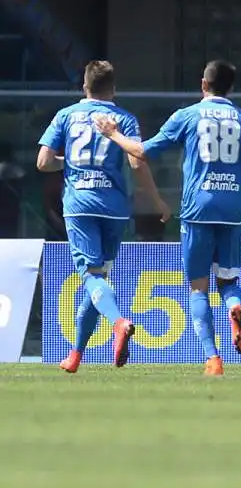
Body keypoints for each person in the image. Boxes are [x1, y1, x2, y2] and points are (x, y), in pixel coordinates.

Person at [95, 60, 241, 376]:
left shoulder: (187, 116)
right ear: (231, 87)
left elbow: (143, 152)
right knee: (228, 280)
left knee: (198, 288)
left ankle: (213, 359)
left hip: (197, 209)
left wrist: (114, 135)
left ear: (204, 84)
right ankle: (234, 308)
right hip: (231, 209)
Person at [37, 60, 170, 373]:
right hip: (113, 206)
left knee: (92, 277)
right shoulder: (124, 118)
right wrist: (156, 200)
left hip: (80, 204)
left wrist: (68, 163)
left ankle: (119, 322)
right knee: (99, 278)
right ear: (113, 88)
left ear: (85, 86)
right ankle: (75, 355)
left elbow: (43, 162)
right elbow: (137, 162)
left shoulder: (66, 116)